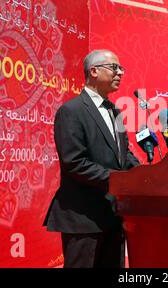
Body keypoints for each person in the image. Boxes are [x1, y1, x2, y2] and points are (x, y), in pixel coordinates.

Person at [43, 49, 140, 268]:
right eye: (114, 68)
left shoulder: (115, 112)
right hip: (83, 218)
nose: (120, 73)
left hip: (114, 215)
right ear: (94, 71)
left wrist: (145, 175)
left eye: (121, 68)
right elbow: (74, 163)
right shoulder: (71, 111)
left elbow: (125, 155)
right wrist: (120, 180)